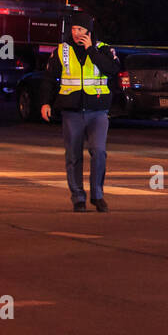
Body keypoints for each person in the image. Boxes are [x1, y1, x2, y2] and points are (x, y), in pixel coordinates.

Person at [40, 12, 120, 212]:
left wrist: (91, 50)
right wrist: (45, 103)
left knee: (99, 152)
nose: (76, 33)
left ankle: (97, 195)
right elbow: (49, 79)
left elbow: (112, 70)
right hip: (72, 111)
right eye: (74, 29)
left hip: (98, 111)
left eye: (80, 30)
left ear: (89, 32)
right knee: (73, 156)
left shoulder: (104, 50)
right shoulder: (62, 51)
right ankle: (78, 197)